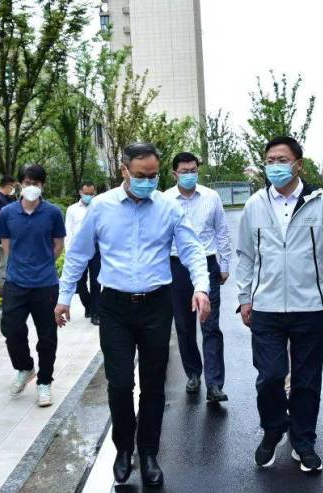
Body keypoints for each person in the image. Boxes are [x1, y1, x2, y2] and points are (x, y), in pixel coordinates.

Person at [54, 143, 210, 488]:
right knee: (121, 382)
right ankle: (124, 448)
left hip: (156, 305)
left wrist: (201, 287)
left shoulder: (168, 207)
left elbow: (192, 249)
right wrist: (64, 297)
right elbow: (78, 254)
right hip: (115, 307)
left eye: (153, 175)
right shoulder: (102, 207)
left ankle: (149, 452)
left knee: (153, 383)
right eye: (141, 175)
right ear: (124, 170)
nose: (148, 181)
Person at [236, 136, 323, 474]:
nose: (275, 166)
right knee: (270, 376)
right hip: (266, 307)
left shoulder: (320, 202)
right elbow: (245, 255)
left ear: (298, 164)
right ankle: (274, 428)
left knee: (306, 380)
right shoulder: (256, 204)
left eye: (282, 160)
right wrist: (244, 297)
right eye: (270, 160)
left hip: (309, 306)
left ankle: (303, 441)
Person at [163, 152, 232, 402]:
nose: (190, 175)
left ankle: (215, 384)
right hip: (177, 266)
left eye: (193, 170)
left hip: (208, 263)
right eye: (184, 171)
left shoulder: (211, 197)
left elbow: (222, 231)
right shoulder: (164, 200)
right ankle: (193, 373)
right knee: (184, 325)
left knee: (210, 325)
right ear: (175, 174)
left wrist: (224, 264)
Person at [0, 164, 66, 407]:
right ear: (20, 184)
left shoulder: (53, 213)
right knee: (11, 329)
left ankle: (44, 382)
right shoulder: (7, 213)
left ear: (42, 185)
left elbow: (58, 244)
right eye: (27, 182)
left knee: (47, 336)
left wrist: (43, 263)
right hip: (16, 282)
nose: (31, 187)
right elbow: (6, 244)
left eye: (35, 183)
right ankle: (25, 367)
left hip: (45, 284)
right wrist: (21, 264)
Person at [64, 180, 101, 325]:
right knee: (79, 283)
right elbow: (68, 231)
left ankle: (95, 313)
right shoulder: (72, 210)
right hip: (78, 250)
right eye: (86, 193)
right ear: (80, 192)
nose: (89, 196)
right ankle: (89, 305)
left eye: (92, 194)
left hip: (95, 249)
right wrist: (69, 252)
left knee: (96, 282)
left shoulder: (98, 207)